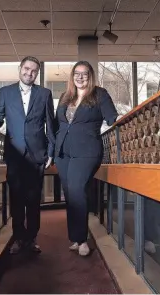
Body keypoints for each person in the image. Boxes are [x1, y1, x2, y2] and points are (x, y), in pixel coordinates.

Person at [0, 56, 55, 254]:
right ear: (19, 69)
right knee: (16, 199)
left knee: (33, 200)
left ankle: (31, 239)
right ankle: (18, 238)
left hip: (37, 154)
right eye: (26, 69)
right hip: (14, 155)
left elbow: (51, 124)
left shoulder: (45, 94)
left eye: (33, 71)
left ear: (37, 74)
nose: (29, 73)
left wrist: (51, 152)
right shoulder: (5, 92)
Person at [54, 61, 119, 256]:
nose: (80, 77)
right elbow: (59, 125)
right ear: (72, 77)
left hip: (87, 151)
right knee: (69, 193)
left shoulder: (100, 94)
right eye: (77, 74)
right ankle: (75, 238)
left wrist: (121, 120)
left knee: (77, 190)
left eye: (85, 74)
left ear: (90, 76)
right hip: (63, 152)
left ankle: (82, 239)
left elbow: (112, 118)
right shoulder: (65, 97)